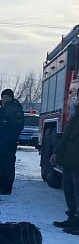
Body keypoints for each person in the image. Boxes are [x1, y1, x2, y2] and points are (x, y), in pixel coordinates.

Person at [51, 93, 79, 234]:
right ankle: (72, 218)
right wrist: (56, 152)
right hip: (69, 160)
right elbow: (66, 137)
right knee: (69, 188)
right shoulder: (74, 115)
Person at [0, 89, 25, 194]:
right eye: (3, 96)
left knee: (8, 165)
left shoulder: (15, 109)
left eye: (7, 97)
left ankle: (7, 188)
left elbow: (17, 126)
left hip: (8, 143)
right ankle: (0, 186)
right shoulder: (1, 110)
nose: (5, 98)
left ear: (11, 98)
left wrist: (10, 138)